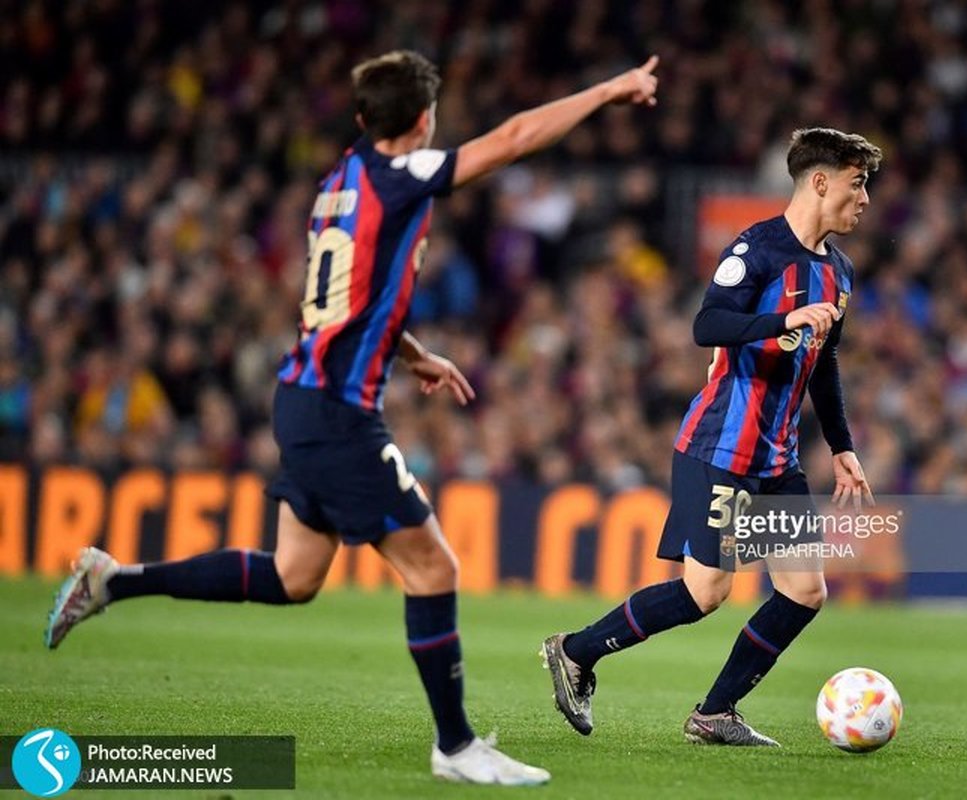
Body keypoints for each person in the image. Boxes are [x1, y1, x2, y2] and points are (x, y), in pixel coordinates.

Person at [45, 49, 660, 786]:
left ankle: (113, 581)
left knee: (295, 575)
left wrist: (413, 353)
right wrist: (607, 90)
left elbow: (347, 297)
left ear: (364, 118)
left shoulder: (339, 182)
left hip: (303, 397)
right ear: (424, 120)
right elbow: (515, 138)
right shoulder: (403, 175)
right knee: (433, 566)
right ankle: (456, 745)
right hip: (337, 412)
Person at [542, 127, 881, 746]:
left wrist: (842, 447)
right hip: (721, 448)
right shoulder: (756, 250)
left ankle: (715, 713)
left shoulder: (840, 271)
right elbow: (708, 324)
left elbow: (824, 362)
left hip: (777, 460)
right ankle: (575, 651)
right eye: (857, 184)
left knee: (805, 590)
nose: (865, 199)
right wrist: (784, 318)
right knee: (705, 592)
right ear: (819, 182)